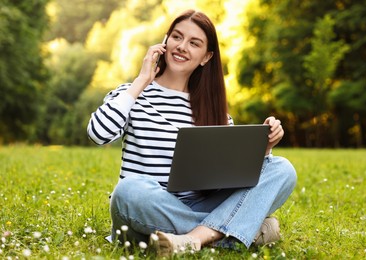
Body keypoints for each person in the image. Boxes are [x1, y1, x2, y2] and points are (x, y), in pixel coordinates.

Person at [87, 9, 296, 257]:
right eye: (177, 37)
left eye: (194, 43)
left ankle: (192, 239)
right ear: (165, 41)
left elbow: (233, 180)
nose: (182, 46)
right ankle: (242, 230)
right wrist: (141, 82)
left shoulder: (216, 112)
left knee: (282, 169)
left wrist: (265, 149)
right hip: (147, 207)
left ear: (206, 57)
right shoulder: (130, 94)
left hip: (200, 202)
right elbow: (98, 133)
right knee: (127, 190)